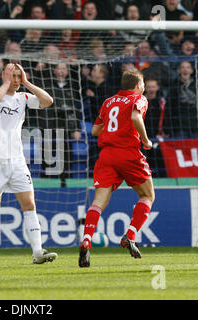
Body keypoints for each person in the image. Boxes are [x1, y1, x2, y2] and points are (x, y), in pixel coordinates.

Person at [0, 63, 58, 265]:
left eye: (18, 76)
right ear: (4, 75)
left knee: (30, 204)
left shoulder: (23, 98)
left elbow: (48, 101)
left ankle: (37, 252)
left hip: (17, 161)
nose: (15, 80)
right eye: (12, 76)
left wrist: (27, 82)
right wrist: (6, 83)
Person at [78, 69, 155, 267]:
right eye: (143, 84)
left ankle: (87, 238)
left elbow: (95, 130)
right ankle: (130, 235)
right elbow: (136, 118)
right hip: (128, 153)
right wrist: (146, 141)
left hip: (106, 155)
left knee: (98, 202)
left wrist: (114, 128)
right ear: (138, 85)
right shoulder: (139, 98)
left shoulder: (108, 102)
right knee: (147, 196)